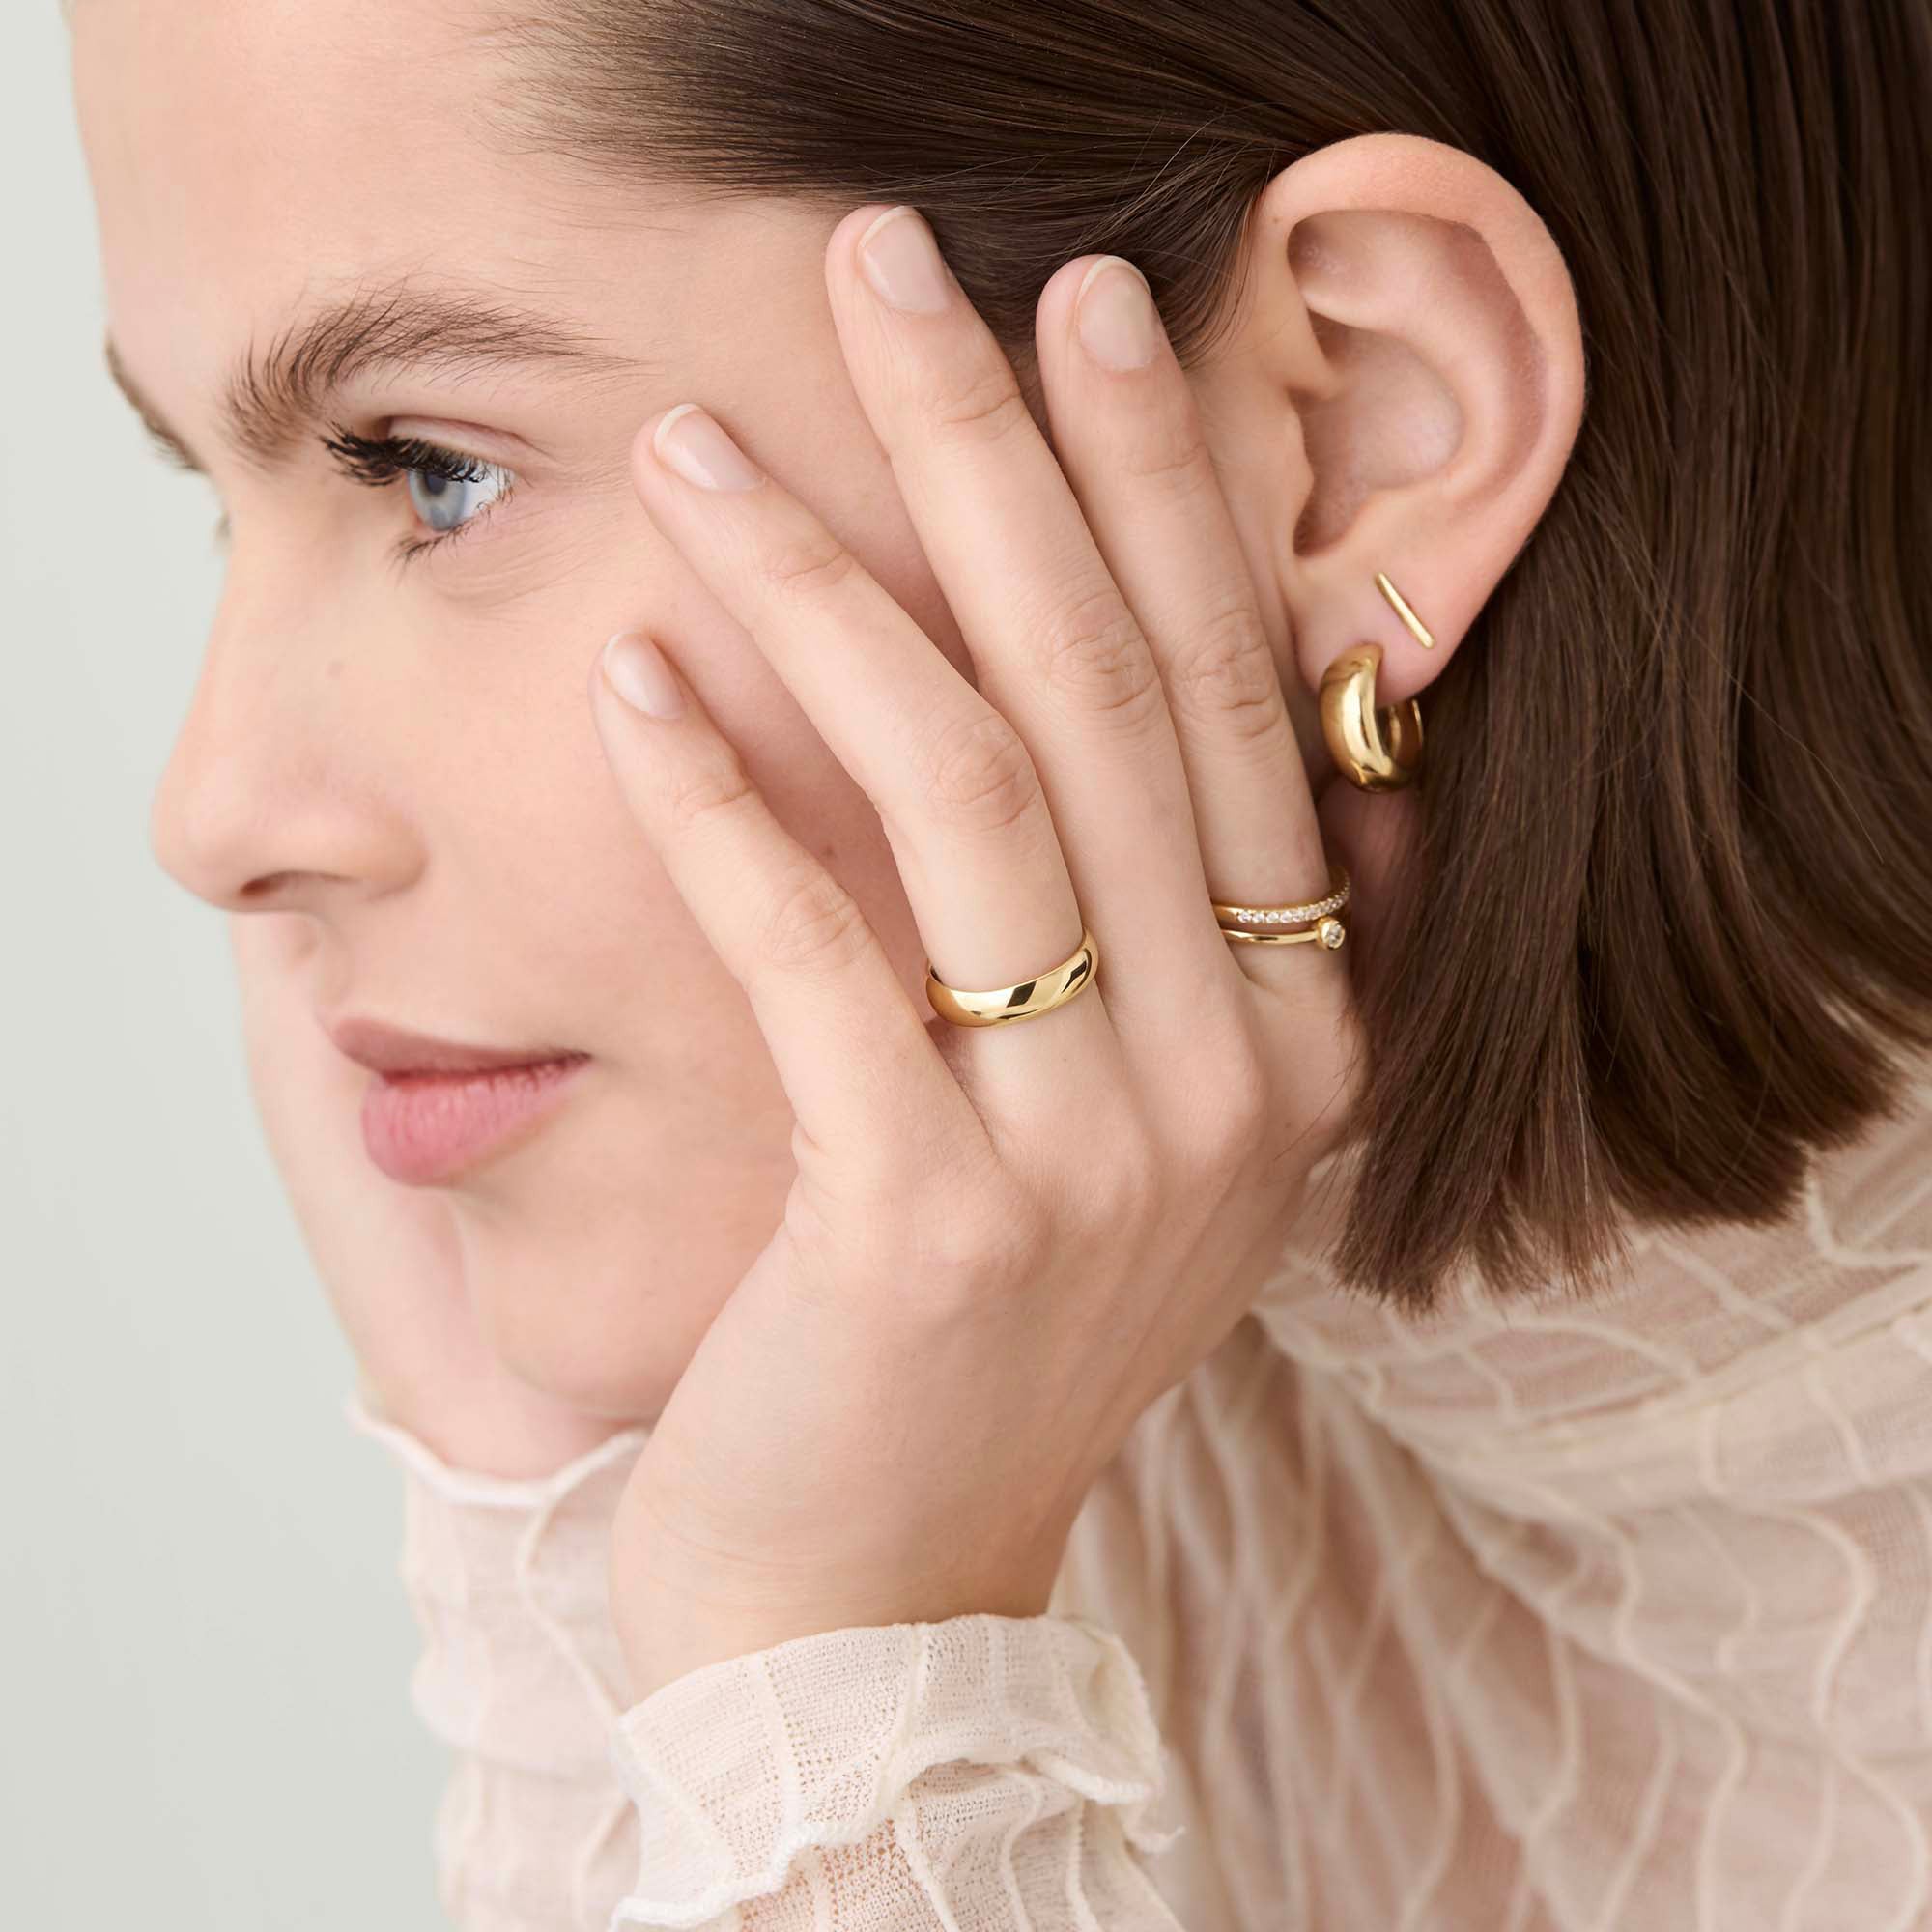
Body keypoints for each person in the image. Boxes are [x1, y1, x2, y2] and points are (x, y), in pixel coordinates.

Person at [67, 0, 1932, 1924]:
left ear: (1357, 435)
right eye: (214, 498)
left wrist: (837, 1702)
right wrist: (599, 1556)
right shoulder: (965, 1407)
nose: (213, 812)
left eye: (429, 471)